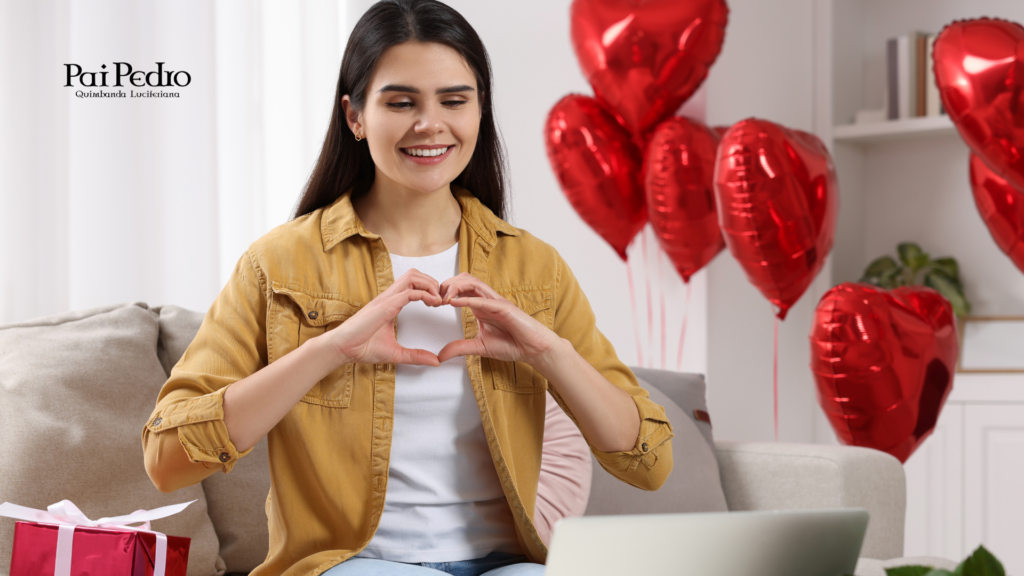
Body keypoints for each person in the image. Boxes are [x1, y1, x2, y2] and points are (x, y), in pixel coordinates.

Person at [141, 0, 674, 574]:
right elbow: (167, 458)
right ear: (355, 116)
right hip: (351, 563)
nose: (430, 124)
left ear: (480, 110)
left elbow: (651, 463)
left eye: (454, 100)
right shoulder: (279, 264)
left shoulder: (534, 268)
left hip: (504, 562)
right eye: (401, 102)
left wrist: (549, 353)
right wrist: (329, 350)